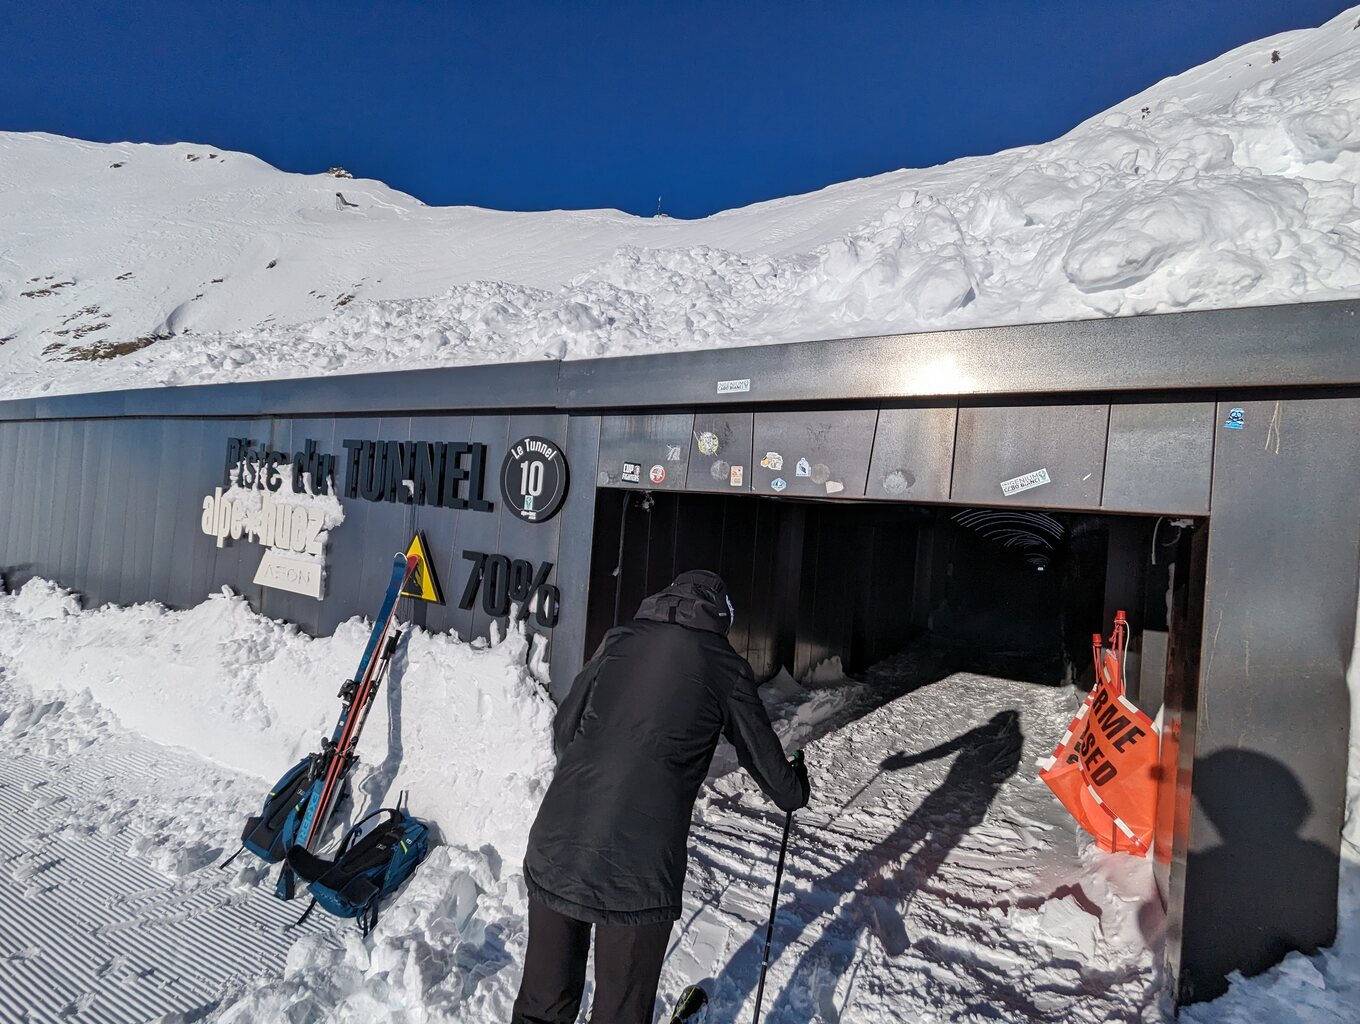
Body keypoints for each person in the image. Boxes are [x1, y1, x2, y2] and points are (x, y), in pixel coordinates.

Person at [512, 570, 810, 1024]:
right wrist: (795, 785)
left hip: (558, 845)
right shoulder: (723, 665)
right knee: (619, 1013)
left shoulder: (619, 639)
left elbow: (563, 730)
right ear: (720, 617)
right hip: (638, 872)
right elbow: (767, 765)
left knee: (541, 1007)